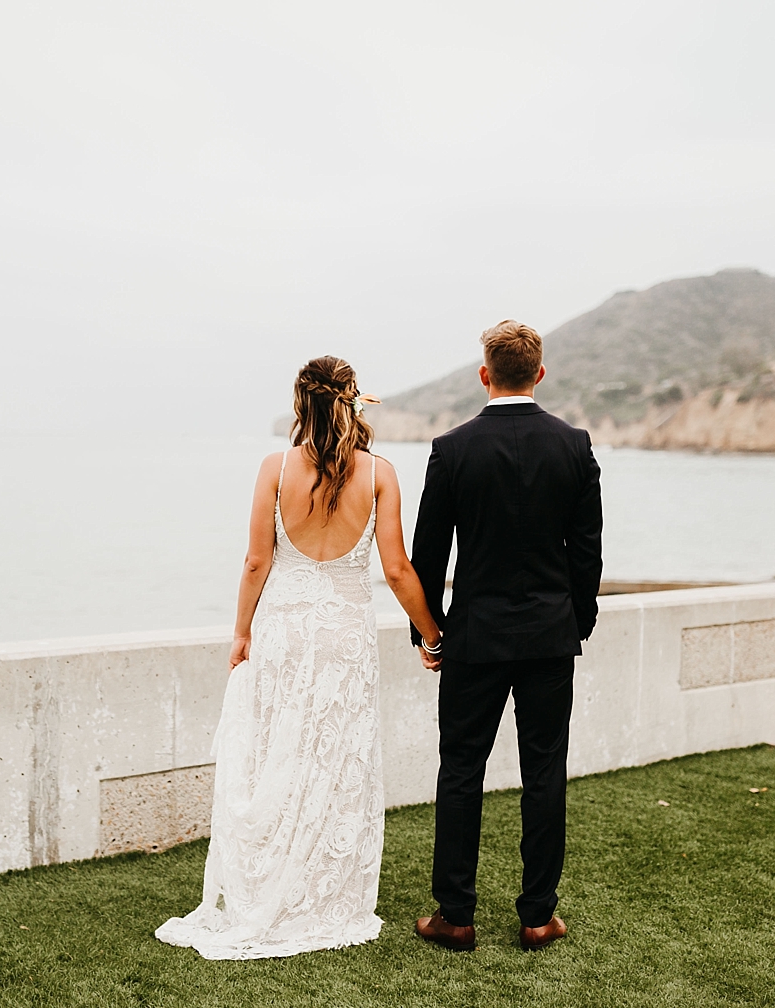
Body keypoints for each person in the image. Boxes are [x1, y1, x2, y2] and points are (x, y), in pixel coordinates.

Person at [155, 355, 444, 960]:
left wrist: (240, 633)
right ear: (353, 402)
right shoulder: (380, 473)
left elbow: (257, 561)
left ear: (299, 405)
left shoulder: (275, 467)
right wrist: (431, 635)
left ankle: (269, 891)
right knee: (335, 759)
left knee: (275, 756)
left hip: (282, 629)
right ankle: (324, 895)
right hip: (344, 635)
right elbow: (396, 568)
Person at [409, 320, 603, 952]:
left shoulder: (451, 449)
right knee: (545, 771)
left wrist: (429, 632)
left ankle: (455, 916)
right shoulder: (574, 445)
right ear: (539, 374)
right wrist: (577, 621)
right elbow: (587, 554)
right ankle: (538, 916)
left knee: (461, 770)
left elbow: (428, 555)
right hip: (550, 636)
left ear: (485, 374)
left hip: (475, 636)